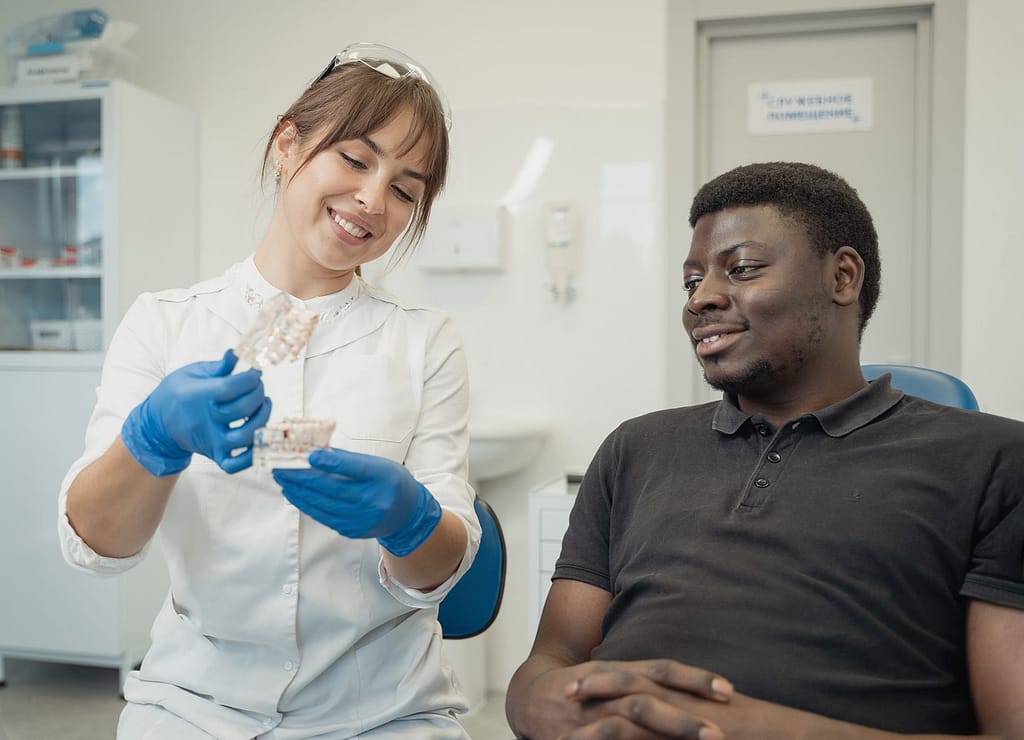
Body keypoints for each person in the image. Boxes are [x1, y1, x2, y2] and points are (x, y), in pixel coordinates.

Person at [506, 162, 1024, 739]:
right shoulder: (635, 449)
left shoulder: (996, 461)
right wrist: (543, 703)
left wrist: (733, 726)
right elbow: (552, 657)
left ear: (843, 277)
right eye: (691, 281)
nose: (700, 299)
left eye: (743, 269)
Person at [58, 43, 481, 739]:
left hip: (384, 711)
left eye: (406, 189)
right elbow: (96, 548)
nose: (373, 199)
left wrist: (411, 519)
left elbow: (439, 570)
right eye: (354, 159)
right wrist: (150, 438)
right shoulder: (166, 322)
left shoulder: (426, 340)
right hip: (192, 706)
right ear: (288, 144)